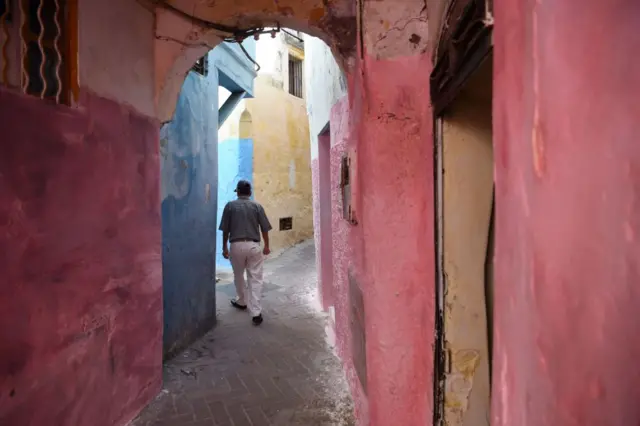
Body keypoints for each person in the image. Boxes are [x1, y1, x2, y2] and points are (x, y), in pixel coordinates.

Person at [219, 180, 272, 325]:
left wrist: (224, 247)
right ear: (249, 192)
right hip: (253, 246)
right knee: (255, 278)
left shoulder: (230, 206)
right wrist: (266, 245)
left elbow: (225, 229)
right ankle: (256, 312)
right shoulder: (257, 206)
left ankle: (242, 301)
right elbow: (265, 228)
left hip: (236, 245)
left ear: (238, 192)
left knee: (238, 275)